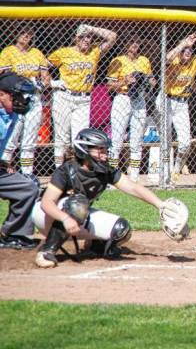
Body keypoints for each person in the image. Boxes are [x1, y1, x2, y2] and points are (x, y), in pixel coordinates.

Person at [32, 128, 169, 268]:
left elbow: (132, 187)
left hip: (76, 215)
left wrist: (160, 205)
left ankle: (95, 247)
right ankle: (46, 251)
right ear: (84, 150)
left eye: (105, 150)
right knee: (78, 204)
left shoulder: (104, 170)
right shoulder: (66, 170)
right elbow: (46, 203)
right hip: (46, 215)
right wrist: (65, 218)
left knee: (121, 229)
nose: (105, 155)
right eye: (100, 150)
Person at [48, 23, 117, 168]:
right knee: (62, 139)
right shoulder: (63, 52)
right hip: (64, 97)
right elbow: (42, 66)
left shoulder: (94, 51)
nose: (86, 40)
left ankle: (77, 171)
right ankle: (60, 172)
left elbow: (112, 36)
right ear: (75, 38)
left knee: (80, 138)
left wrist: (91, 28)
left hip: (84, 99)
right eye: (82, 37)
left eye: (89, 37)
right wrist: (52, 83)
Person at [0, 26, 51, 175]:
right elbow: (2, 75)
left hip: (33, 98)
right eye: (23, 33)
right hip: (14, 98)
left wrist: (42, 83)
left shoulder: (36, 53)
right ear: (16, 35)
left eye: (29, 34)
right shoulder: (8, 52)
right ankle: (3, 172)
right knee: (11, 138)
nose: (26, 36)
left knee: (30, 140)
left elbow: (46, 76)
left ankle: (27, 174)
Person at [106, 35, 156, 182]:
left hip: (139, 99)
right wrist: (125, 80)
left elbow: (152, 80)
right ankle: (112, 176)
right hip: (122, 97)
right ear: (125, 44)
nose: (134, 44)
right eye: (131, 41)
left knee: (137, 139)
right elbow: (109, 86)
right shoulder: (118, 61)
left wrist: (149, 81)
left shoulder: (144, 60)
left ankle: (134, 176)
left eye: (137, 42)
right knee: (117, 139)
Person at [0, 72, 40, 249]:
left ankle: (13, 233)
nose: (22, 101)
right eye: (17, 96)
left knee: (28, 187)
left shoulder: (12, 114)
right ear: (2, 94)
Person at [159, 34, 196, 181]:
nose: (188, 52)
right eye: (185, 49)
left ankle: (176, 169)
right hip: (166, 99)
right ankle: (164, 174)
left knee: (185, 142)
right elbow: (166, 59)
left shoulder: (195, 62)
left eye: (190, 49)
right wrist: (182, 44)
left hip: (183, 102)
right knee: (166, 139)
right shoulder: (174, 59)